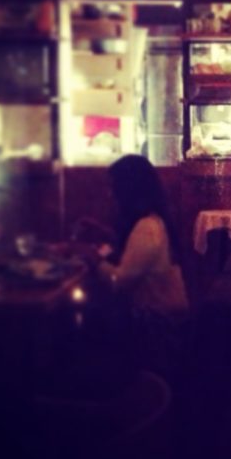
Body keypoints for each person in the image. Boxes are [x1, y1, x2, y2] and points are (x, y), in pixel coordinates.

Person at [92, 154, 190, 381]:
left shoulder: (147, 229)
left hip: (157, 331)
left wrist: (93, 259)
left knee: (83, 324)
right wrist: (106, 235)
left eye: (113, 187)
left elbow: (119, 283)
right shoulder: (153, 221)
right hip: (166, 323)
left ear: (128, 190)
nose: (110, 194)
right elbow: (136, 259)